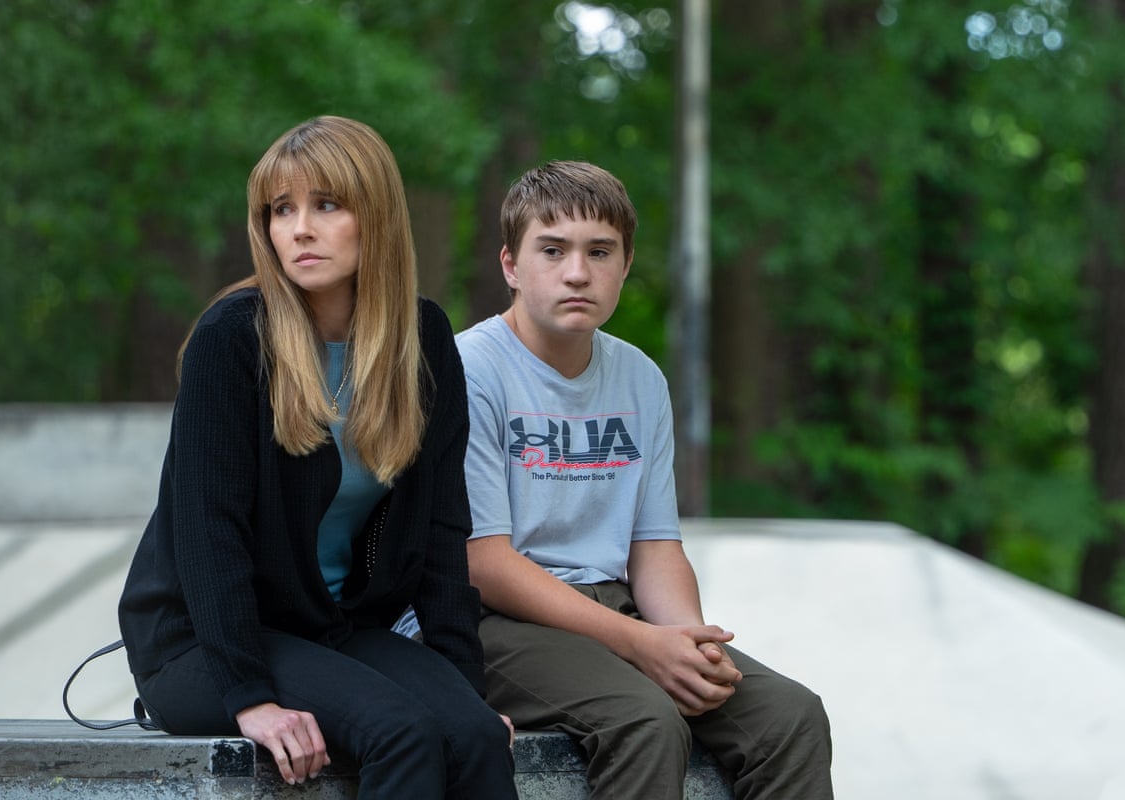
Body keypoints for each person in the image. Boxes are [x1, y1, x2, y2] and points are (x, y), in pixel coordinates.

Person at [116, 116, 517, 800]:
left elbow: (443, 533)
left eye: (327, 205)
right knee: (400, 733)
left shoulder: (422, 340)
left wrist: (462, 686)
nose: (299, 228)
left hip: (329, 629)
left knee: (474, 737)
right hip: (202, 644)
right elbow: (209, 533)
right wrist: (250, 698)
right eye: (281, 209)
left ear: (377, 217)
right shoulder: (233, 339)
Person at [457, 160, 835, 799]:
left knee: (791, 718)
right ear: (511, 267)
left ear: (625, 265)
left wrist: (685, 645)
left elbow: (655, 546)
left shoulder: (639, 378)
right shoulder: (470, 369)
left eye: (599, 251)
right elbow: (483, 562)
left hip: (615, 606)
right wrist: (639, 644)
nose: (578, 272)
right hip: (493, 622)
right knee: (644, 720)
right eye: (552, 250)